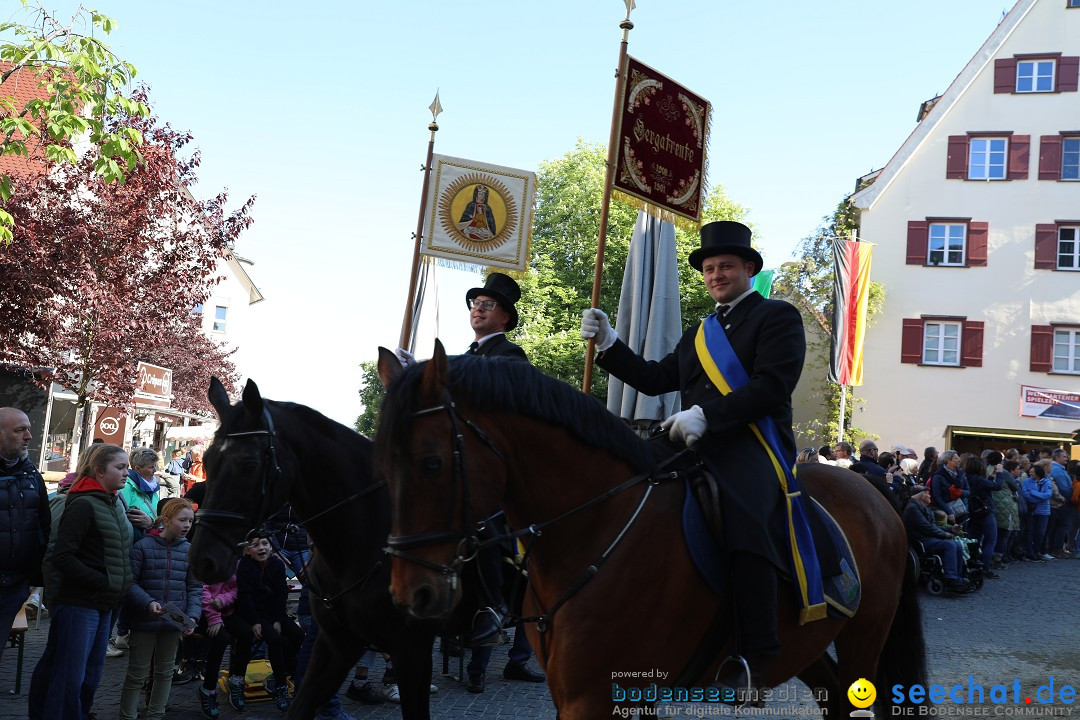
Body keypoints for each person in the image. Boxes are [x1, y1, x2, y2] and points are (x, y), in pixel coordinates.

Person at [581, 220, 806, 693]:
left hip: (752, 442)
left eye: (725, 266)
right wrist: (609, 343)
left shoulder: (777, 316)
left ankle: (754, 656)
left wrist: (707, 415)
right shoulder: (699, 332)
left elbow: (772, 387)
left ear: (749, 269)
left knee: (745, 517)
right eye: (708, 268)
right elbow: (653, 377)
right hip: (689, 439)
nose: (716, 275)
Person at [28, 443, 133, 720]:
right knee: (69, 677)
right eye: (120, 467)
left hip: (105, 603)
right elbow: (62, 556)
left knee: (90, 673)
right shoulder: (83, 504)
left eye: (127, 467)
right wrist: (101, 580)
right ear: (99, 471)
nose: (126, 473)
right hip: (79, 604)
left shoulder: (114, 502)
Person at [119, 498, 202, 720]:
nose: (187, 525)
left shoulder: (189, 550)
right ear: (165, 520)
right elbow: (130, 583)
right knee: (137, 673)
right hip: (145, 620)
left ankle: (156, 714)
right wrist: (147, 602)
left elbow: (195, 587)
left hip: (174, 621)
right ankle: (128, 716)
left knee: (165, 673)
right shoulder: (142, 547)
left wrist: (192, 616)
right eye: (182, 520)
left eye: (191, 521)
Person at [231, 533, 304, 712]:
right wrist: (255, 622)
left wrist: (279, 619)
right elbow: (245, 597)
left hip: (273, 612)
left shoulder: (277, 564)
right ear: (247, 550)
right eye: (256, 545)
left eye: (265, 544)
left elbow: (281, 593)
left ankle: (284, 671)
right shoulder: (245, 566)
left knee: (297, 635)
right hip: (254, 612)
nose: (261, 548)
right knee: (275, 640)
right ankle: (280, 686)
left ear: (271, 547)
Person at [0, 407, 50, 662]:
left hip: (13, 587)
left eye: (28, 428)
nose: (29, 436)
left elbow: (42, 527)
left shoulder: (31, 475)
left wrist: (34, 579)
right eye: (20, 430)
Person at [903, 490, 971, 594]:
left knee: (957, 544)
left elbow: (934, 526)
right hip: (922, 540)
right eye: (927, 494)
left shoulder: (924, 508)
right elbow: (927, 527)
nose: (930, 496)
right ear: (921, 496)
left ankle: (958, 576)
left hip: (930, 537)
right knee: (950, 545)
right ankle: (951, 578)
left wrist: (952, 529)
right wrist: (944, 534)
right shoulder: (913, 508)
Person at [198, 564, 238, 718]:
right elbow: (202, 588)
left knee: (243, 633)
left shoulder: (236, 560)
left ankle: (236, 682)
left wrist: (222, 600)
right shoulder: (209, 558)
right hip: (201, 610)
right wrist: (213, 617)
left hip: (225, 609)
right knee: (220, 638)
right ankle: (208, 689)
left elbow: (237, 589)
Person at [1022, 463, 1055, 561]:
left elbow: (1047, 495)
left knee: (1040, 533)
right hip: (1031, 511)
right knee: (1030, 532)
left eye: (1032, 472)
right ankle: (1029, 552)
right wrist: (1039, 497)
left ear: (1038, 473)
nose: (1030, 473)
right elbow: (1025, 495)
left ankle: (1036, 551)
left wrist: (1032, 493)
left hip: (1043, 511)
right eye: (1030, 471)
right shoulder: (1026, 481)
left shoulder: (1047, 482)